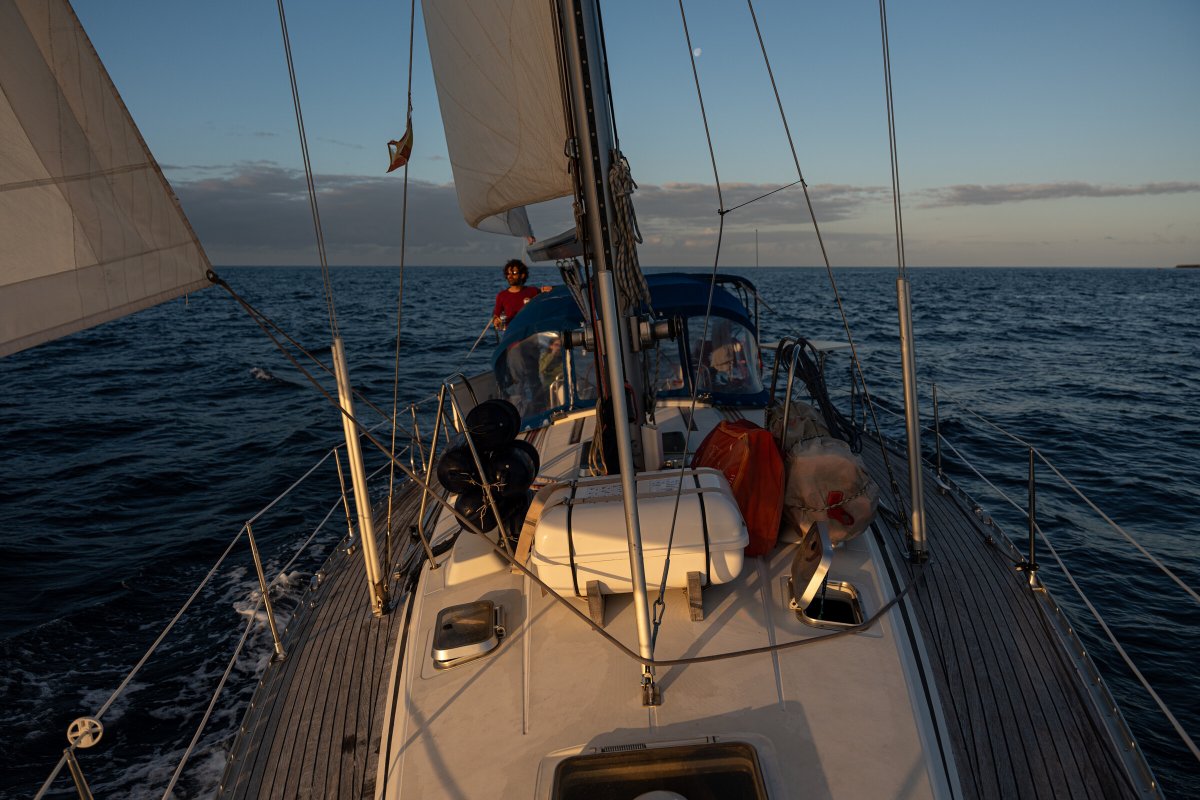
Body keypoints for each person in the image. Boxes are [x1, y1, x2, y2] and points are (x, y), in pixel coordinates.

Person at [492, 259, 550, 330]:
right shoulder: (501, 296)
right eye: (508, 273)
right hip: (512, 334)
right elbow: (496, 316)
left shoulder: (533, 291)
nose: (510, 276)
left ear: (522, 275)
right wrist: (496, 321)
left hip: (531, 331)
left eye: (514, 273)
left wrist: (549, 289)